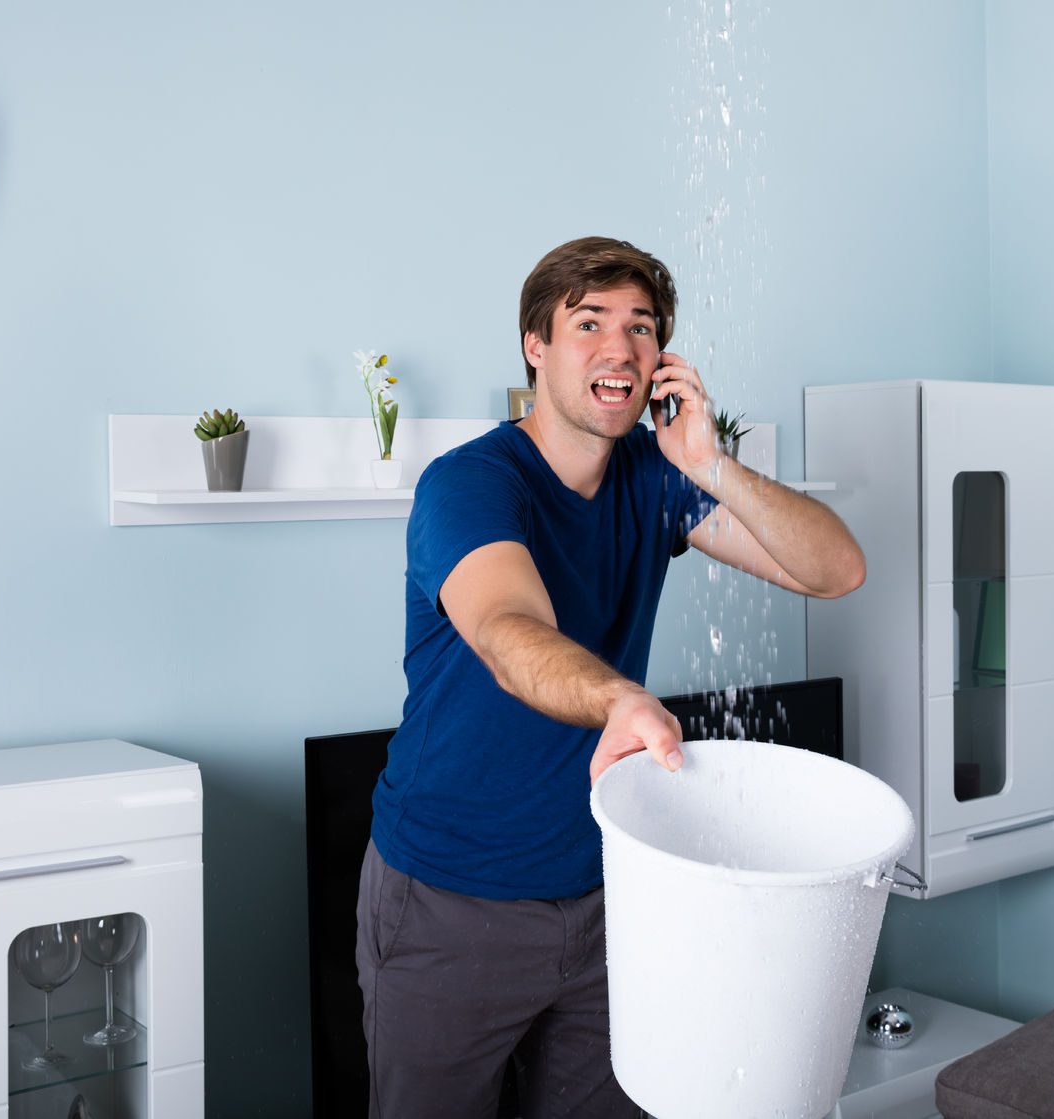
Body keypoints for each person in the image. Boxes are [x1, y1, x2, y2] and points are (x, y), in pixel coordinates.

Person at [354, 236, 866, 1119]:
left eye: (641, 328)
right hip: (448, 902)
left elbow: (835, 569)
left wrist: (708, 462)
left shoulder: (654, 478)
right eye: (588, 322)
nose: (620, 347)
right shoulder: (470, 483)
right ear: (535, 345)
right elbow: (506, 629)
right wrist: (620, 698)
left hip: (609, 898)